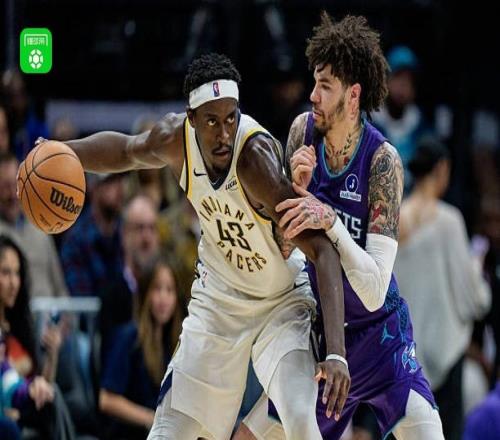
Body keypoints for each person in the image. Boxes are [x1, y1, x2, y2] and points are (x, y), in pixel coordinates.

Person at [32, 53, 349, 439]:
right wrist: (63, 151)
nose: (224, 134)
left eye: (230, 118)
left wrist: (336, 352)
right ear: (192, 118)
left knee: (301, 418)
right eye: (212, 121)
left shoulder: (255, 161)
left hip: (281, 302)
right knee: (168, 432)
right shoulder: (174, 140)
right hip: (220, 298)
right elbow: (126, 151)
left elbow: (322, 249)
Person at [237, 13, 444, 440]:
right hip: (325, 335)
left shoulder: (382, 162)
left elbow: (374, 290)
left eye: (325, 85)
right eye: (314, 82)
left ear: (353, 95)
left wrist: (332, 222)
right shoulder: (301, 134)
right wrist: (294, 192)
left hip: (381, 340)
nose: (312, 95)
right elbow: (283, 251)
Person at [395, 137, 491, 440]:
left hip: (400, 352)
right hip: (444, 353)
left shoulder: (394, 218)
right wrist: (476, 267)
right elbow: (472, 297)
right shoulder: (450, 221)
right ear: (441, 169)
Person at [99, 257, 183, 439]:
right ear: (145, 292)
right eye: (157, 289)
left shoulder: (177, 343)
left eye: (169, 290)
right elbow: (107, 399)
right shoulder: (129, 338)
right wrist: (151, 419)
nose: (164, 297)